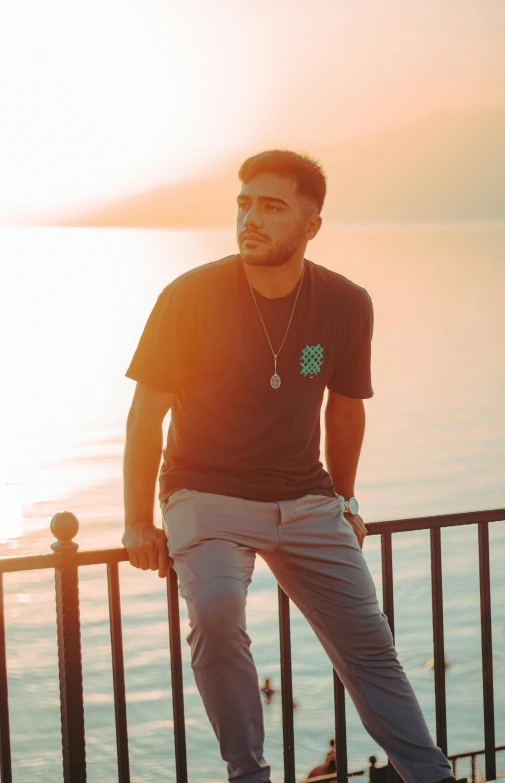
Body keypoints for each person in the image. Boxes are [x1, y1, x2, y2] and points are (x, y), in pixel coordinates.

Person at [122, 149, 460, 783]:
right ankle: (248, 775)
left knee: (371, 647)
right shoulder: (189, 295)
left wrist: (348, 503)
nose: (251, 217)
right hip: (205, 496)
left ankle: (432, 777)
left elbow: (346, 411)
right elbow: (147, 416)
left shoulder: (345, 302)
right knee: (218, 612)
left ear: (311, 223)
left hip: (307, 501)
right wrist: (138, 520)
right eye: (244, 203)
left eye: (272, 206)